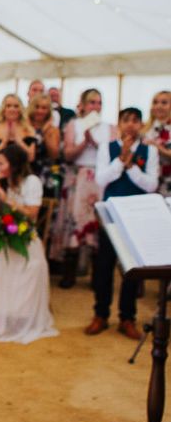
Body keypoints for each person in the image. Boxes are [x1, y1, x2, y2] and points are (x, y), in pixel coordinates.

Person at [86, 107, 159, 339]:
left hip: (137, 216)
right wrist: (120, 161)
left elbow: (151, 185)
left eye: (135, 121)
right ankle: (101, 314)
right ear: (119, 124)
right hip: (112, 213)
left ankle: (127, 317)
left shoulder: (150, 151)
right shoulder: (107, 148)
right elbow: (101, 179)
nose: (130, 125)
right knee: (104, 265)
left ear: (141, 125)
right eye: (126, 120)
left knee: (132, 270)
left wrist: (131, 167)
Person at [0, 143, 57, 344]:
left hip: (25, 235)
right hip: (2, 232)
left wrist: (8, 200)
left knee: (30, 264)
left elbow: (32, 214)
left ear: (14, 164)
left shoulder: (32, 182)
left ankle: (18, 319)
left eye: (1, 164)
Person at [50, 89, 116, 289]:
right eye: (91, 102)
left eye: (98, 102)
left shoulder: (110, 127)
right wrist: (85, 142)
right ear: (83, 104)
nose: (95, 106)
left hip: (100, 180)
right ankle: (69, 272)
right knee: (75, 221)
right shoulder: (74, 125)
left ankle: (97, 275)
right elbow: (68, 154)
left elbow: (114, 155)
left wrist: (96, 144)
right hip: (79, 177)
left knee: (97, 225)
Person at [0, 94, 36, 167]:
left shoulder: (28, 129)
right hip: (0, 173)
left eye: (16, 106)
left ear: (20, 109)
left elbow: (31, 158)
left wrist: (19, 141)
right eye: (8, 106)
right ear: (3, 109)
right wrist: (4, 142)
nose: (12, 109)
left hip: (22, 172)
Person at [27, 94, 60, 196]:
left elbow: (54, 154)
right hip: (26, 170)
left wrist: (45, 132)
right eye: (37, 107)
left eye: (44, 108)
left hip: (44, 173)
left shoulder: (53, 130)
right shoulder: (25, 127)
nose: (40, 111)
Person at [143, 90, 171, 197]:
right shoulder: (145, 129)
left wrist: (157, 147)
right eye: (155, 102)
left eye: (164, 103)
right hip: (150, 182)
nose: (158, 106)